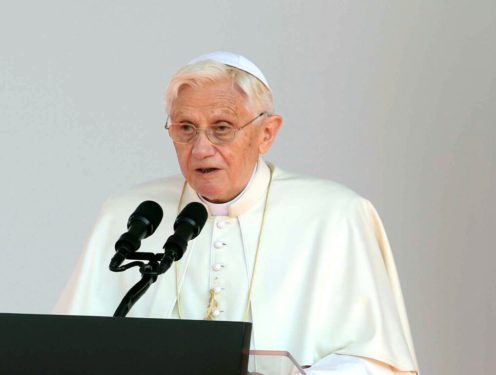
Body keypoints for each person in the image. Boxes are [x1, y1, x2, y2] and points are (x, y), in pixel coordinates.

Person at [56, 51, 419, 374]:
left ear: (266, 133)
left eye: (222, 129)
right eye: (186, 128)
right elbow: (68, 351)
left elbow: (375, 361)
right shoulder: (128, 213)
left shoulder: (336, 216)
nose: (201, 149)